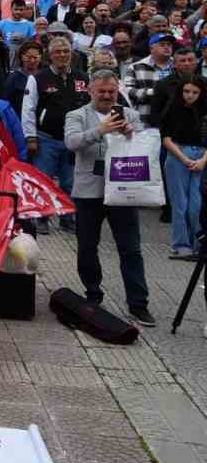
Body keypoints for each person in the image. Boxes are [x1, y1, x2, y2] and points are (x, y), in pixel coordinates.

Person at [64, 69, 154, 326]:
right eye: (101, 91)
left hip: (123, 190)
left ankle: (138, 303)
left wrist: (131, 134)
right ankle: (93, 293)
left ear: (118, 91)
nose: (106, 96)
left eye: (111, 91)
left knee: (131, 248)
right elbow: (71, 142)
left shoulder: (130, 114)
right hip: (89, 190)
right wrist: (100, 130)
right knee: (87, 246)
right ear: (90, 90)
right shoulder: (77, 115)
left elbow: (145, 146)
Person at [22, 35, 87, 235]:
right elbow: (28, 109)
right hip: (46, 138)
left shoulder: (83, 78)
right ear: (50, 55)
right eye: (57, 52)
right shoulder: (37, 78)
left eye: (66, 51)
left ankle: (67, 218)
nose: (62, 55)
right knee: (44, 180)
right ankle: (41, 218)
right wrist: (30, 137)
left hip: (73, 139)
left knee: (69, 182)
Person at [158, 73, 207, 259]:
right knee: (180, 204)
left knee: (197, 204)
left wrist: (203, 161)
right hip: (177, 154)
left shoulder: (204, 111)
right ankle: (181, 244)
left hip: (202, 155)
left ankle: (198, 243)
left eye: (195, 92)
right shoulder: (173, 109)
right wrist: (184, 158)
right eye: (186, 91)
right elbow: (166, 139)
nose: (190, 95)